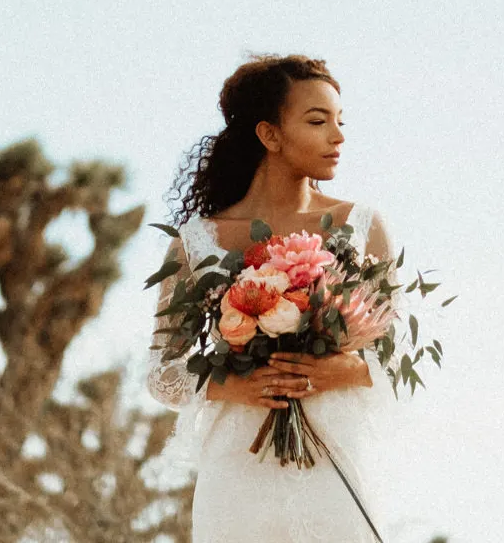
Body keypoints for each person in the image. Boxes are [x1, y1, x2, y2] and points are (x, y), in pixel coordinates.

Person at [146, 54, 404, 543]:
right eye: (317, 121)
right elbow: (163, 374)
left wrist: (340, 369)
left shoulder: (364, 228)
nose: (339, 137)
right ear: (269, 135)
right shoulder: (197, 242)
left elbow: (400, 356)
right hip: (238, 468)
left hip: (336, 461)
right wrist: (234, 386)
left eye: (339, 121)